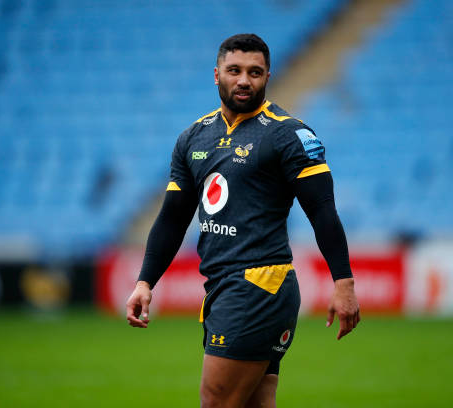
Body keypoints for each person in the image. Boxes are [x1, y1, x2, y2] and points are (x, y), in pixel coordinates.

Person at [126, 33, 360, 408]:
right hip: (222, 285)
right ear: (216, 74)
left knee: (216, 402)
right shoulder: (194, 137)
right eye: (234, 70)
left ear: (268, 76)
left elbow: (322, 211)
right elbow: (172, 218)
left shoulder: (289, 134)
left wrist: (343, 282)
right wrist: (145, 281)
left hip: (258, 285)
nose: (244, 80)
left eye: (255, 72)